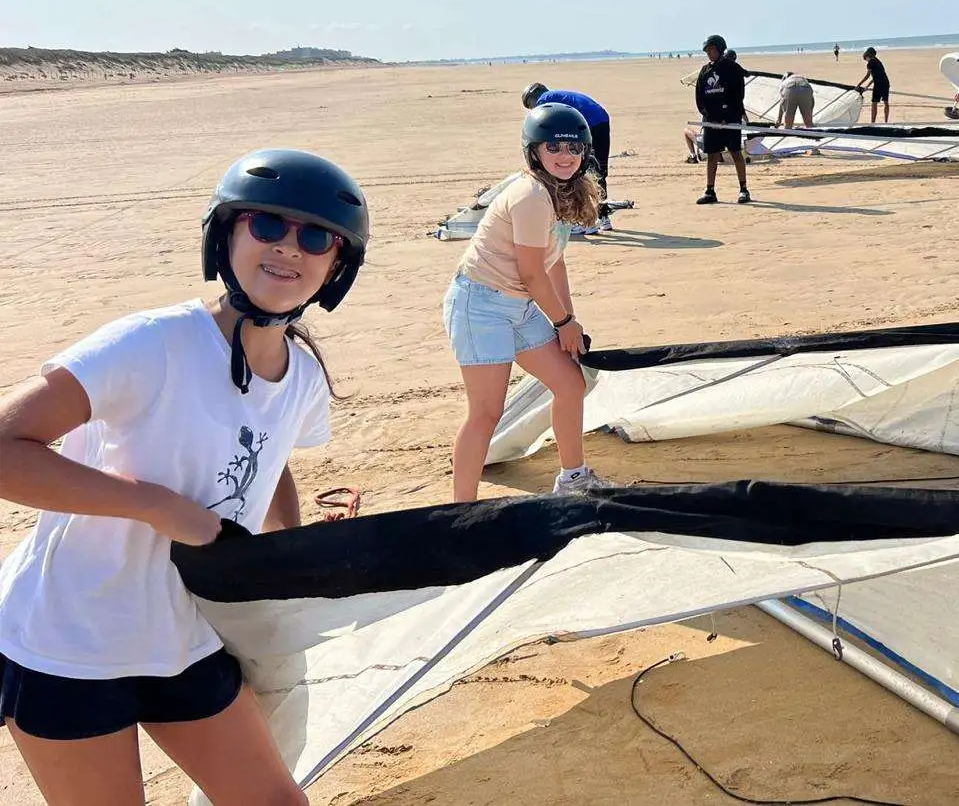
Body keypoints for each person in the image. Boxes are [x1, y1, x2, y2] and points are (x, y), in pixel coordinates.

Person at [0, 148, 370, 805]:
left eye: (316, 237)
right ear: (225, 233)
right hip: (71, 640)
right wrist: (157, 507)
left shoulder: (303, 379)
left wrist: (292, 551)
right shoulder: (153, 344)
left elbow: (269, 457)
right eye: (267, 225)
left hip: (186, 635)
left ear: (337, 265)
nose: (290, 247)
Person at [444, 102, 609, 499]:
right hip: (480, 306)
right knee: (486, 413)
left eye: (573, 149)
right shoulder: (531, 194)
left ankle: (573, 479)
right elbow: (532, 272)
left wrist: (570, 320)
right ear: (534, 151)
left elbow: (555, 265)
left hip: (519, 305)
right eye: (554, 148)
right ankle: (460, 514)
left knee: (570, 383)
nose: (565, 157)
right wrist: (562, 322)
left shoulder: (566, 192)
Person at [522, 83, 615, 233]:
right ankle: (603, 218)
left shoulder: (545, 101)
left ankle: (586, 222)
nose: (533, 108)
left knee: (578, 173)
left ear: (534, 97)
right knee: (600, 172)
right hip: (602, 120)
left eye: (530, 104)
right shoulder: (559, 97)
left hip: (588, 126)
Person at [693, 34, 751, 205]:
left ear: (720, 49)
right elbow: (699, 97)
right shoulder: (705, 71)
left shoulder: (732, 68)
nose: (709, 53)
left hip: (730, 120)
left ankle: (743, 189)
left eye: (711, 50)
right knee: (712, 155)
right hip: (711, 121)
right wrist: (710, 118)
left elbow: (738, 96)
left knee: (735, 153)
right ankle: (710, 190)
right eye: (707, 51)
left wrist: (727, 118)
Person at [856, 46, 891, 123]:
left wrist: (859, 84)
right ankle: (886, 121)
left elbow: (868, 75)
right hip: (885, 83)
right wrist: (867, 86)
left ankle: (873, 122)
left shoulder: (870, 63)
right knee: (886, 102)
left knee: (874, 103)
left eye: (866, 59)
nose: (866, 60)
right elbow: (877, 76)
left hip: (878, 84)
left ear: (867, 56)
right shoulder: (878, 61)